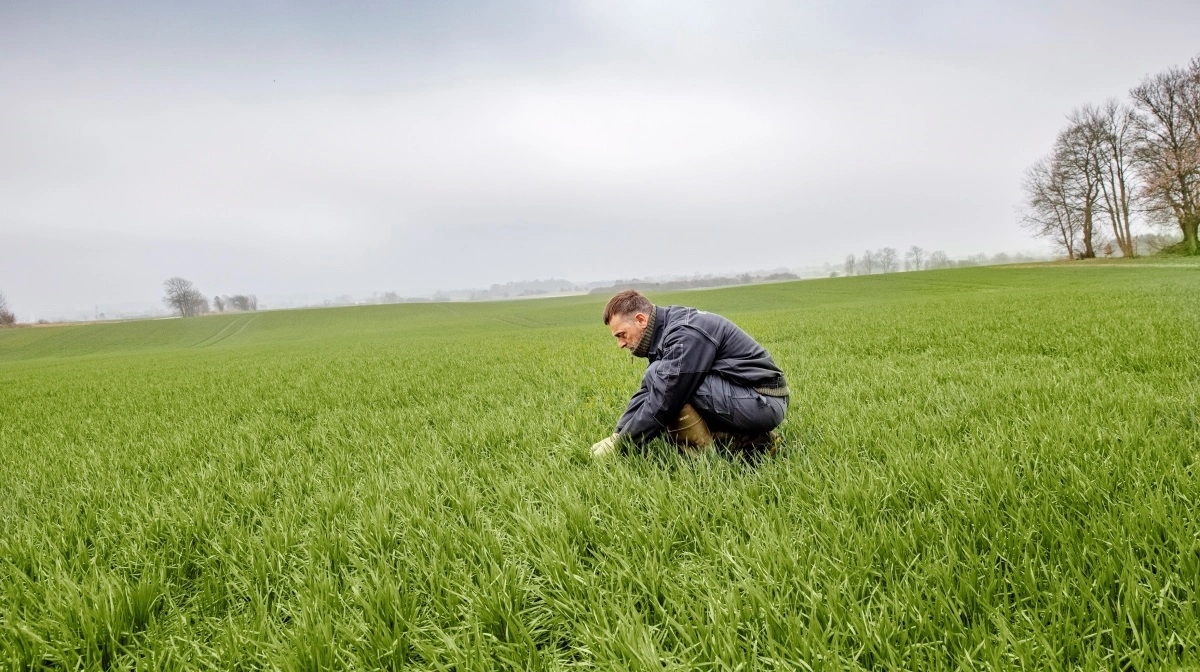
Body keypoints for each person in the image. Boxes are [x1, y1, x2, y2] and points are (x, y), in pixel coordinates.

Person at [591, 290, 789, 459]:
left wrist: (623, 445)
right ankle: (754, 441)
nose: (620, 344)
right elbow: (648, 390)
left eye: (621, 335)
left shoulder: (685, 333)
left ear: (641, 320)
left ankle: (704, 459)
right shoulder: (668, 327)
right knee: (659, 375)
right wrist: (617, 435)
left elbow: (666, 398)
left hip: (764, 401)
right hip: (746, 397)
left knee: (672, 388)